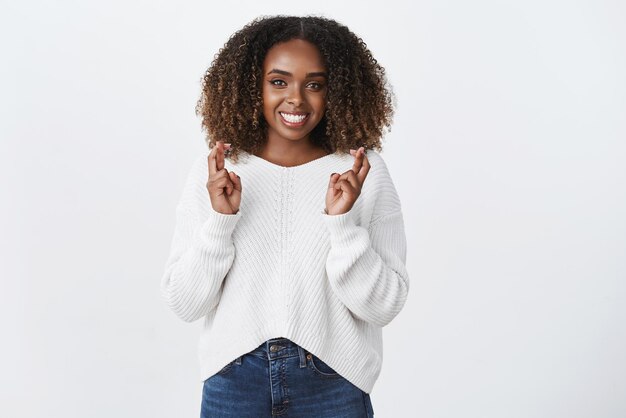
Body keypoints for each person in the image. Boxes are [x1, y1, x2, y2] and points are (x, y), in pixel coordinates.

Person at [160, 14, 409, 418]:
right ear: (251, 86)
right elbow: (185, 303)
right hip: (234, 381)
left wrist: (342, 227)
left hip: (334, 381)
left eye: (315, 84)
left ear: (338, 92)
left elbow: (384, 306)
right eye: (279, 81)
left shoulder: (362, 172)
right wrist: (221, 224)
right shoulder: (220, 170)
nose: (296, 98)